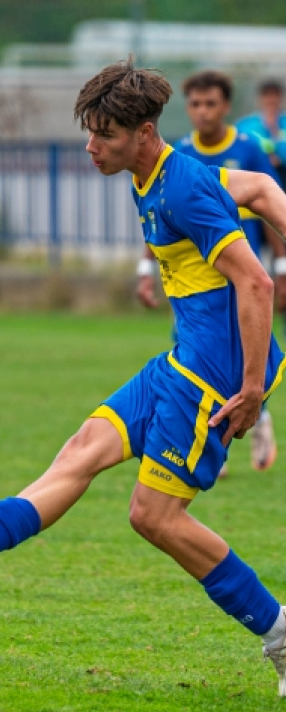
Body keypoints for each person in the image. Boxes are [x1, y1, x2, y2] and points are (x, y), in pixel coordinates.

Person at [0, 58, 286, 698]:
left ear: (145, 132)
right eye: (89, 132)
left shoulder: (181, 188)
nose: (92, 147)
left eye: (106, 135)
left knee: (154, 518)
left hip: (211, 377)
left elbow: (255, 281)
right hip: (180, 363)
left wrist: (255, 391)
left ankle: (279, 632)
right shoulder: (155, 174)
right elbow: (261, 189)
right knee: (81, 450)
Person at [136, 69, 284, 473]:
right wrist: (145, 269)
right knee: (188, 351)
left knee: (247, 355)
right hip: (191, 284)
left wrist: (282, 268)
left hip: (240, 277)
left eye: (211, 104)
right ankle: (205, 435)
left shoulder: (249, 149)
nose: (202, 112)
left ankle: (259, 418)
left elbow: (268, 202)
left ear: (225, 107)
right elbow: (157, 218)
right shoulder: (179, 154)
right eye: (195, 104)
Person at [236, 78, 286, 350]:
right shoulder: (247, 127)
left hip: (282, 201)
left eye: (274, 96)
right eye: (266, 96)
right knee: (254, 274)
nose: (271, 101)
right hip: (256, 212)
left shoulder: (283, 125)